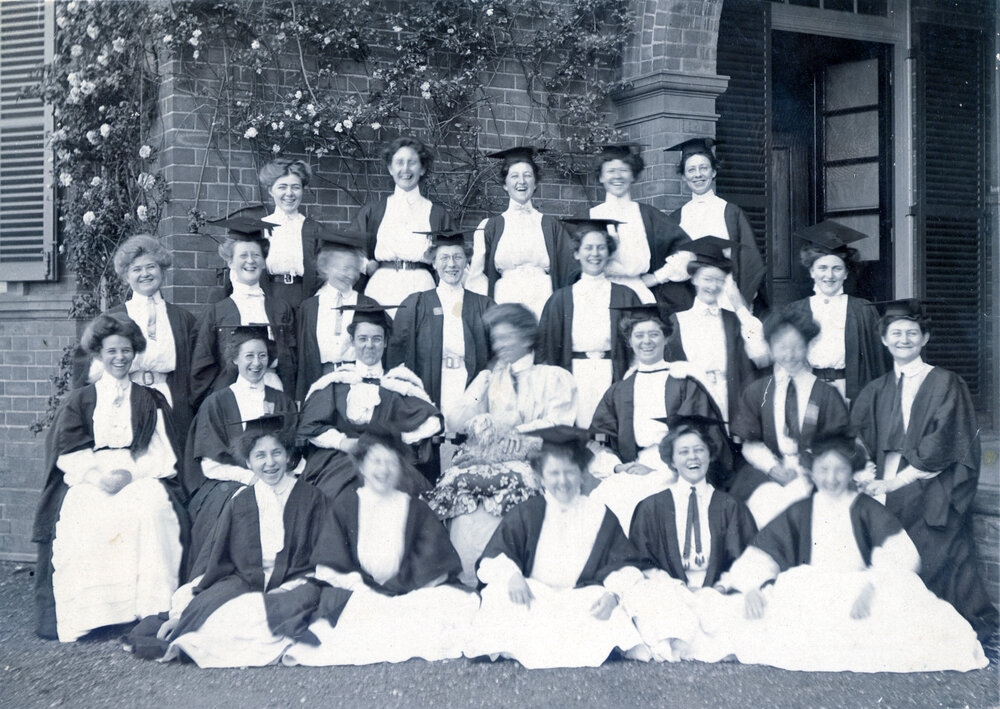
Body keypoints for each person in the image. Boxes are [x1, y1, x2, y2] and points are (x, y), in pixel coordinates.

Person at [715, 432, 987, 673]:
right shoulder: (801, 510)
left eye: (839, 470)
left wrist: (871, 587)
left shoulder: (865, 507)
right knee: (762, 616)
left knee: (906, 616)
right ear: (811, 471)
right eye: (823, 469)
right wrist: (751, 586)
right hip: (812, 585)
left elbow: (900, 552)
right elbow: (767, 550)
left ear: (850, 471)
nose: (831, 478)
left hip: (861, 584)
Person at [851, 299, 998, 640]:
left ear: (925, 338)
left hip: (931, 479)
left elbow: (945, 439)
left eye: (912, 333)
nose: (904, 339)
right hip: (882, 481)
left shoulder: (946, 382)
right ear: (884, 340)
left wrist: (897, 481)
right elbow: (855, 439)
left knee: (930, 538)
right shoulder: (875, 389)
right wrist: (869, 476)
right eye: (896, 333)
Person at [32, 312, 186, 641]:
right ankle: (97, 614)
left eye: (126, 351)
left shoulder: (150, 398)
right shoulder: (81, 399)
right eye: (112, 351)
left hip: (139, 471)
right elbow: (69, 450)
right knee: (86, 513)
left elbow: (161, 452)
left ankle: (147, 610)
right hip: (90, 473)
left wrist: (130, 474)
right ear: (99, 354)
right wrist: (97, 477)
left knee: (150, 509)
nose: (119, 358)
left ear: (135, 353)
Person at [283, 432, 478, 666]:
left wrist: (400, 590)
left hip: (411, 594)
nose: (383, 470)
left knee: (459, 601)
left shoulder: (415, 507)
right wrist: (365, 588)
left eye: (391, 462)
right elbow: (329, 565)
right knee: (347, 608)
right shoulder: (345, 505)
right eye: (376, 461)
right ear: (362, 466)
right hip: (361, 593)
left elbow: (435, 567)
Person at [465, 426, 648, 668]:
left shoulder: (599, 513)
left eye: (570, 473)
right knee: (498, 595)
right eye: (554, 473)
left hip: (580, 598)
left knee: (604, 604)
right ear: (541, 477)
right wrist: (512, 576)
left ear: (582, 474)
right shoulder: (528, 511)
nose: (562, 481)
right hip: (534, 595)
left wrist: (612, 594)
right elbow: (497, 555)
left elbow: (623, 564)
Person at [424, 303, 578, 584]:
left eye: (506, 337)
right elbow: (456, 422)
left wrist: (509, 431)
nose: (499, 345)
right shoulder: (491, 379)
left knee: (513, 482)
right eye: (495, 339)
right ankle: (468, 575)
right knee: (460, 484)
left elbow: (558, 424)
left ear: (527, 337)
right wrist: (480, 387)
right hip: (492, 459)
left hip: (539, 458)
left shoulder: (553, 376)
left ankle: (513, 571)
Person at [156, 420, 329, 667]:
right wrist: (182, 613)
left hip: (296, 582)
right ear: (248, 462)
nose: (270, 463)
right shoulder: (241, 501)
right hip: (246, 579)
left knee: (289, 605)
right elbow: (214, 560)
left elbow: (325, 557)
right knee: (218, 609)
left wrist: (290, 586)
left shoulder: (312, 497)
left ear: (288, 455)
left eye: (276, 453)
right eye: (260, 456)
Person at [622, 415, 757, 662]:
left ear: (710, 454)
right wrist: (675, 587)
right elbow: (639, 562)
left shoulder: (731, 507)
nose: (692, 458)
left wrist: (722, 586)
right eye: (683, 452)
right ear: (671, 460)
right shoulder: (651, 507)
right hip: (670, 592)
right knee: (648, 599)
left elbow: (746, 560)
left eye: (699, 450)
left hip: (714, 592)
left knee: (736, 606)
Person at [182, 327, 299, 573]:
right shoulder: (218, 402)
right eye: (249, 356)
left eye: (263, 356)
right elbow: (209, 464)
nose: (257, 363)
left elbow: (293, 452)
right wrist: (251, 477)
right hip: (232, 481)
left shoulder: (282, 400)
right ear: (235, 359)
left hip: (278, 479)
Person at [298, 303, 441, 500]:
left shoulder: (398, 383)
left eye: (376, 339)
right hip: (341, 459)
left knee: (411, 499)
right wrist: (343, 442)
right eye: (362, 339)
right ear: (352, 341)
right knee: (335, 495)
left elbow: (433, 421)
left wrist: (397, 441)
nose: (369, 345)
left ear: (385, 342)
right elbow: (310, 427)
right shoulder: (336, 382)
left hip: (387, 460)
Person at [729, 307, 849, 528]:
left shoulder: (826, 393)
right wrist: (773, 468)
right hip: (767, 469)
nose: (790, 355)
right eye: (782, 347)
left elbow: (837, 442)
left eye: (797, 347)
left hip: (814, 471)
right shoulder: (757, 391)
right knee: (764, 505)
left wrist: (806, 469)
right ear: (771, 348)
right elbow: (749, 442)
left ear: (808, 347)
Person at [75, 235, 198, 443]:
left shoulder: (183, 319)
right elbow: (88, 371)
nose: (145, 274)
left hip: (172, 406)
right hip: (123, 404)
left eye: (150, 267)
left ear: (162, 270)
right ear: (126, 276)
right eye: (136, 269)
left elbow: (197, 373)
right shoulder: (111, 318)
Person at [588, 304, 724, 488]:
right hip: (632, 468)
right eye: (639, 335)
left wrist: (660, 470)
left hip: (675, 470)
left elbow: (698, 438)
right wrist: (619, 467)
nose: (646, 341)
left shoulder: (685, 382)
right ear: (629, 340)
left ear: (667, 338)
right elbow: (599, 441)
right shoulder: (619, 390)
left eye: (654, 334)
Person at [537, 217, 641, 427]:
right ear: (577, 252)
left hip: (612, 374)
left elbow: (636, 347)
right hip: (574, 377)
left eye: (601, 248)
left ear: (608, 252)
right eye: (589, 248)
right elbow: (545, 353)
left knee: (608, 432)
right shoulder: (560, 299)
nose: (595, 254)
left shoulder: (625, 296)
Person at [387, 230, 494, 427]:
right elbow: (396, 355)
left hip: (469, 393)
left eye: (458, 257)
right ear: (434, 263)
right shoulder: (416, 304)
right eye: (444, 258)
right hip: (431, 391)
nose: (451, 264)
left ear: (466, 262)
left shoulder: (483, 305)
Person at [190, 216, 297, 404]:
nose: (250, 261)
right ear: (230, 262)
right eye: (243, 256)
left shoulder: (280, 308)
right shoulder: (217, 312)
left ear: (264, 262)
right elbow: (202, 365)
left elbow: (293, 362)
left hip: (275, 393)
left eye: (256, 255)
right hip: (231, 397)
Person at [665, 236, 768, 424]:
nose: (713, 286)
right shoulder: (678, 321)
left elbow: (761, 355)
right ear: (694, 279)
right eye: (707, 279)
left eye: (720, 280)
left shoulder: (734, 321)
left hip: (731, 400)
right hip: (693, 402)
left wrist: (739, 306)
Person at [466, 146, 578, 319]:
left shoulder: (551, 225)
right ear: (505, 184)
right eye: (514, 176)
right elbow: (477, 277)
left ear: (535, 183)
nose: (522, 181)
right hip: (505, 301)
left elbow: (568, 272)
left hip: (544, 302)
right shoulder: (490, 226)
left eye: (527, 175)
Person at [658, 138, 766, 313]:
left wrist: (742, 303)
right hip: (688, 301)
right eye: (691, 170)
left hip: (728, 297)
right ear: (684, 177)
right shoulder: (676, 218)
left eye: (704, 168)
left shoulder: (731, 213)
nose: (698, 174)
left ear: (714, 172)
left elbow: (750, 261)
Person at [785, 220, 889, 403]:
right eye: (822, 268)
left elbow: (876, 361)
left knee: (849, 431)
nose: (829, 276)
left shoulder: (863, 310)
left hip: (850, 390)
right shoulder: (796, 310)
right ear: (811, 272)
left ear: (846, 273)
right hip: (808, 388)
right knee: (811, 431)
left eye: (837, 268)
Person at [354, 136, 452, 313]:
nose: (405, 169)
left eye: (412, 162)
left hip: (422, 286)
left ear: (422, 169)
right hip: (382, 286)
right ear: (391, 168)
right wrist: (366, 265)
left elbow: (451, 255)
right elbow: (350, 249)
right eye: (399, 162)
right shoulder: (373, 211)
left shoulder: (437, 214)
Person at [583, 143, 686, 303]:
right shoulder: (590, 216)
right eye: (610, 171)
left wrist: (658, 277)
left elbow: (687, 252)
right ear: (601, 176)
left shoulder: (648, 215)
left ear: (633, 175)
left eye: (624, 170)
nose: (617, 176)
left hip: (638, 295)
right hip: (597, 295)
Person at [295, 228, 380, 401]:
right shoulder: (309, 308)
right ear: (325, 267)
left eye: (351, 268)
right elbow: (303, 358)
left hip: (357, 384)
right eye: (340, 267)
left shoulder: (368, 305)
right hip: (319, 381)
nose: (346, 274)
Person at [258, 159, 325, 309]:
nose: (289, 193)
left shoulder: (314, 229)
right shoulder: (258, 229)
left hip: (305, 298)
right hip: (268, 297)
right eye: (282, 187)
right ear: (270, 190)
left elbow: (323, 273)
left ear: (303, 190)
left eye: (295, 187)